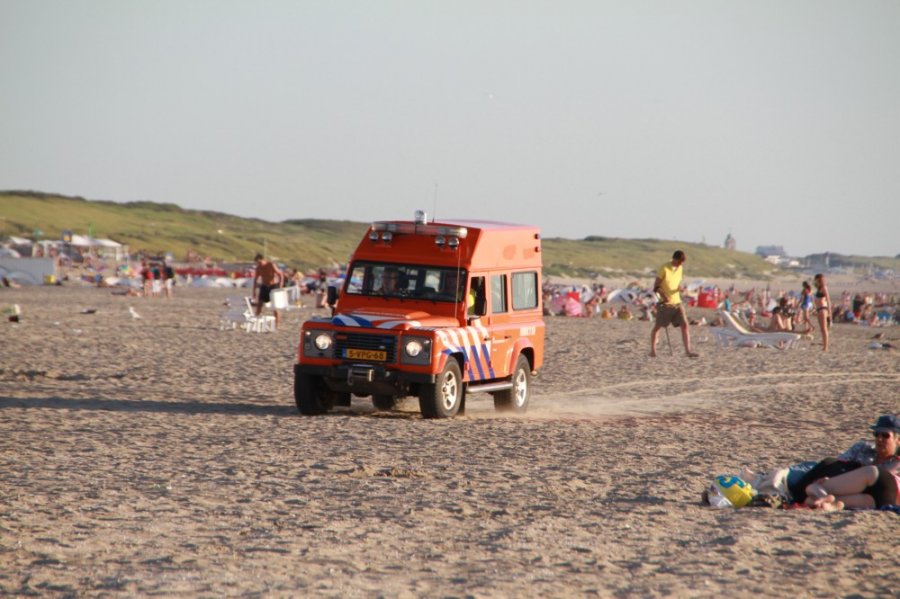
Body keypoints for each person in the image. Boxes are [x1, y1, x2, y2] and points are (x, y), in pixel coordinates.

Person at [804, 415, 900, 510]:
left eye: (885, 435)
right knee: (809, 500)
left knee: (814, 487)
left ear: (898, 440)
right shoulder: (863, 449)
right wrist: (829, 477)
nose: (879, 439)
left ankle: (823, 496)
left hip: (885, 493)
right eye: (876, 434)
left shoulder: (896, 462)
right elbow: (838, 464)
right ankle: (829, 505)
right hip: (869, 498)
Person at [650, 250, 698, 358]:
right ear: (674, 259)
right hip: (665, 303)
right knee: (658, 326)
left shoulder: (680, 268)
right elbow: (656, 286)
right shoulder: (664, 268)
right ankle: (652, 351)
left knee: (685, 324)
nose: (680, 264)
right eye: (679, 262)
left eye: (682, 263)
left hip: (677, 302)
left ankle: (688, 351)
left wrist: (680, 289)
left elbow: (676, 283)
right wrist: (663, 295)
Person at [252, 254, 285, 329]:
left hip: (273, 286)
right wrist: (254, 292)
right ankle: (256, 321)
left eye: (260, 262)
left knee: (275, 306)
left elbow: (280, 274)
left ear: (263, 260)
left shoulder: (271, 265)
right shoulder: (259, 268)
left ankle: (277, 325)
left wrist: (281, 285)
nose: (259, 264)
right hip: (264, 286)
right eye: (257, 263)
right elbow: (255, 280)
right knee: (259, 304)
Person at [813, 273, 832, 351]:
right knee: (822, 329)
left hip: (823, 309)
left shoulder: (824, 288)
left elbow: (828, 300)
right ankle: (824, 345)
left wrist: (830, 313)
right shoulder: (819, 288)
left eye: (816, 280)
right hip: (819, 309)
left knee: (824, 329)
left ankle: (826, 347)